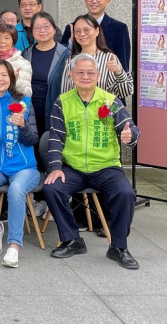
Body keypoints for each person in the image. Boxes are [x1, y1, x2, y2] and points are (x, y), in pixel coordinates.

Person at [44, 53, 141, 270]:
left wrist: (130, 136)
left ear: (98, 75)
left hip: (106, 167)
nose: (85, 76)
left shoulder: (110, 101)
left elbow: (131, 128)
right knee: (52, 188)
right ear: (71, 75)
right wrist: (56, 167)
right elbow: (55, 138)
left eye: (90, 72)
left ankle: (118, 246)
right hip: (74, 167)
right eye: (80, 72)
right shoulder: (63, 102)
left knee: (125, 193)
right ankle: (72, 240)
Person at [0, 59, 39, 268]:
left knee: (16, 189)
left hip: (24, 167)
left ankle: (14, 245)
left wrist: (23, 125)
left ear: (11, 79)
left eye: (4, 75)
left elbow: (33, 139)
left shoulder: (24, 103)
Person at [60, 0, 132, 72]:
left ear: (107, 1)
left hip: (107, 78)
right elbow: (62, 60)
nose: (94, 1)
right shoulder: (72, 28)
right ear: (85, 0)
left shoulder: (119, 28)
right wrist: (71, 42)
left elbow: (123, 63)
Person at [60, 15, 134, 100]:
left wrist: (118, 72)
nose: (82, 34)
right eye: (78, 31)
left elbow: (126, 92)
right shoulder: (71, 60)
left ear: (97, 31)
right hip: (75, 108)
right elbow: (65, 93)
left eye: (86, 30)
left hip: (103, 107)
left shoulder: (109, 58)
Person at [22, 13, 70, 135]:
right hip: (30, 111)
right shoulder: (26, 54)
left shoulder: (66, 55)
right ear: (32, 32)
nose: (42, 30)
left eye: (46, 26)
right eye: (37, 27)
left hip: (55, 110)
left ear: (54, 30)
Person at [0, 24, 33, 96]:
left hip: (12, 102)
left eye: (7, 38)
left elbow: (27, 93)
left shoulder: (22, 63)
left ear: (13, 41)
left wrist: (16, 79)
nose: (2, 41)